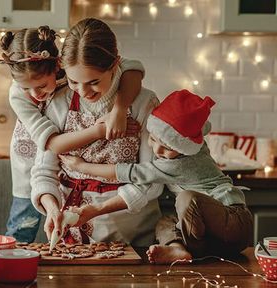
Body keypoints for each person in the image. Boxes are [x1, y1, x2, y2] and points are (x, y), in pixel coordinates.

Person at [61, 89, 254, 263]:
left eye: (168, 147)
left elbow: (131, 173)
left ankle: (194, 251)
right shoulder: (191, 142)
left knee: (188, 198)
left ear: (183, 147)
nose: (157, 149)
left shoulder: (182, 163)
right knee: (164, 222)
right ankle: (178, 249)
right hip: (214, 237)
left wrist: (83, 166)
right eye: (153, 139)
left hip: (233, 222)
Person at [0, 26, 145, 242]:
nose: (34, 94)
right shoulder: (18, 95)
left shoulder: (73, 72)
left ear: (58, 65)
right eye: (25, 88)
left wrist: (120, 109)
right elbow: (53, 144)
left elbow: (131, 68)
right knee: (22, 226)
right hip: (33, 158)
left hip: (65, 163)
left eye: (40, 85)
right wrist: (100, 130)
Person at [30, 18, 163, 247]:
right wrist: (52, 208)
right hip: (70, 238)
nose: (83, 92)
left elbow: (151, 179)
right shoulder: (59, 101)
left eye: (93, 82)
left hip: (131, 236)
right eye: (73, 81)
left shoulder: (143, 103)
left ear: (115, 65)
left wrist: (98, 209)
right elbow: (44, 171)